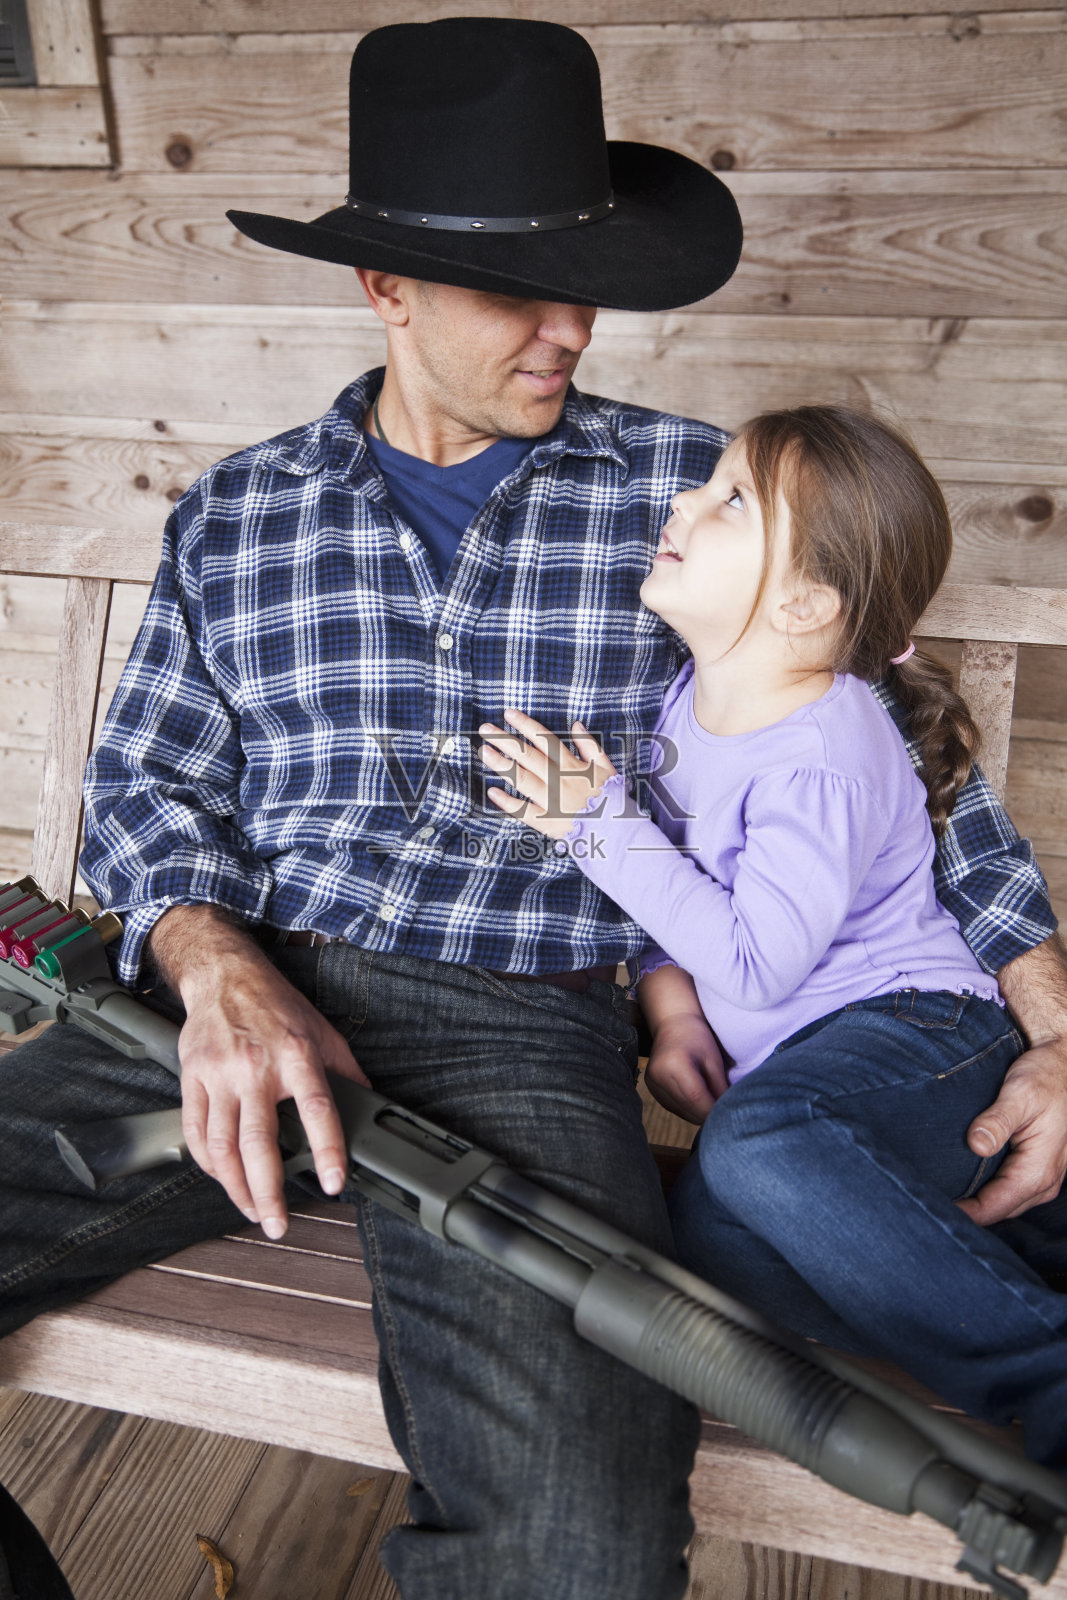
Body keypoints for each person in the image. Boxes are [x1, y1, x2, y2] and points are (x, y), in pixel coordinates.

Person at [0, 19, 1064, 1599]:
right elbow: (149, 781)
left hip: (520, 1029)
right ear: (387, 288)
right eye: (522, 290)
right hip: (220, 1008)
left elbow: (904, 779)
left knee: (575, 1545)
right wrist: (215, 972)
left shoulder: (695, 500)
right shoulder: (238, 512)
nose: (572, 328)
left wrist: (1049, 1024)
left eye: (590, 286)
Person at [479, 404, 1067, 1469]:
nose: (680, 502)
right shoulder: (696, 697)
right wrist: (664, 998)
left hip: (921, 1039)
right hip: (816, 1068)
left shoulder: (821, 744)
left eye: (728, 500)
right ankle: (1029, 1260)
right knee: (714, 1246)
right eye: (705, 484)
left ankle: (1046, 1375)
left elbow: (753, 957)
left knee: (757, 1141)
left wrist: (588, 823)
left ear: (801, 603)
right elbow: (691, 889)